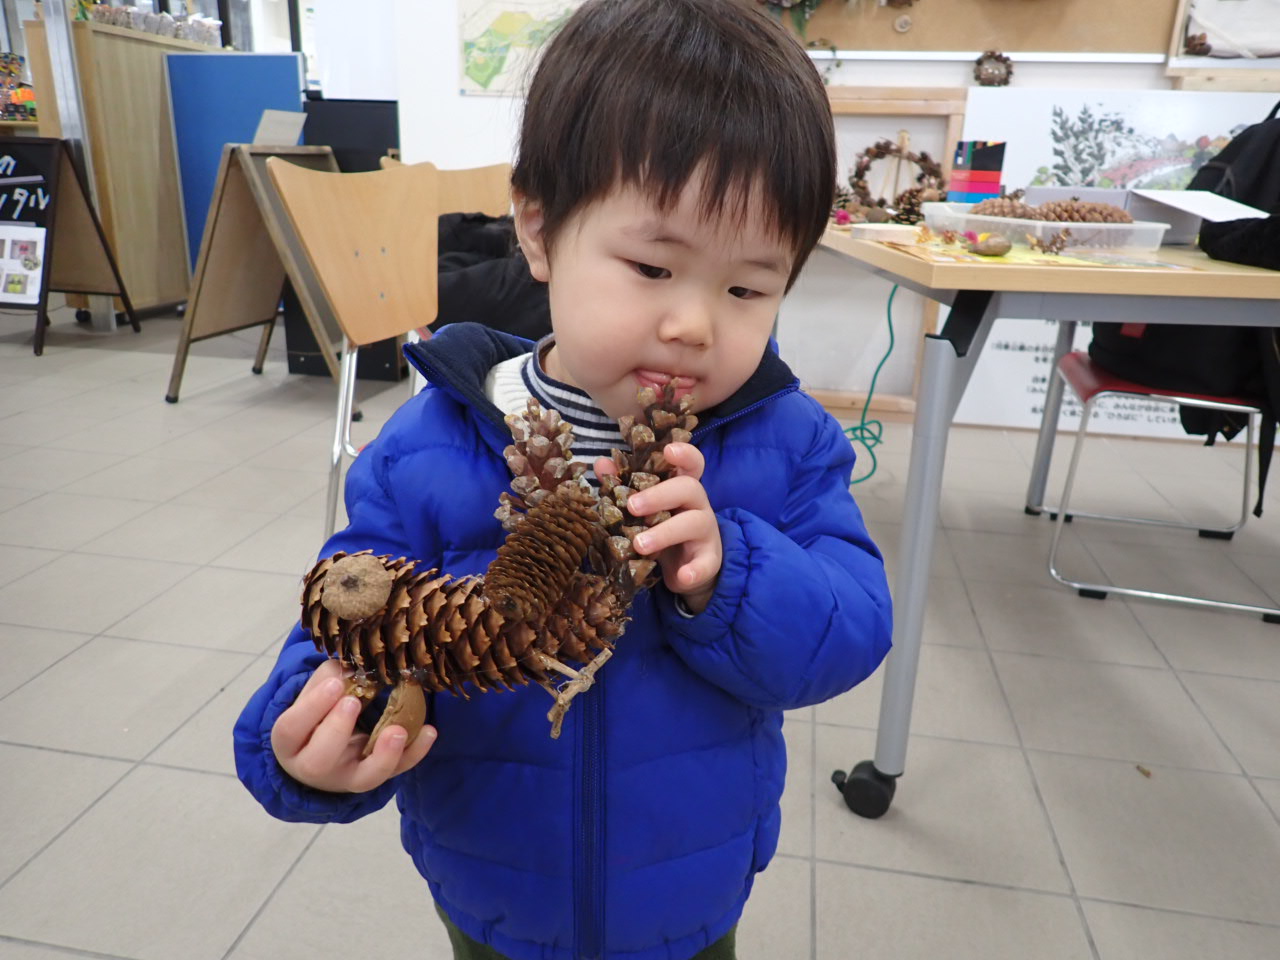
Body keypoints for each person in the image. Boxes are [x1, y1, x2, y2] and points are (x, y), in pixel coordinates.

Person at [233, 1, 892, 958]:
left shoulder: (784, 444)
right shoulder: (433, 443)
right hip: (491, 885)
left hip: (687, 895)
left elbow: (852, 628)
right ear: (539, 231)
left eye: (748, 287)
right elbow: (350, 606)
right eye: (652, 267)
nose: (695, 325)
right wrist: (304, 741)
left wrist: (731, 573)